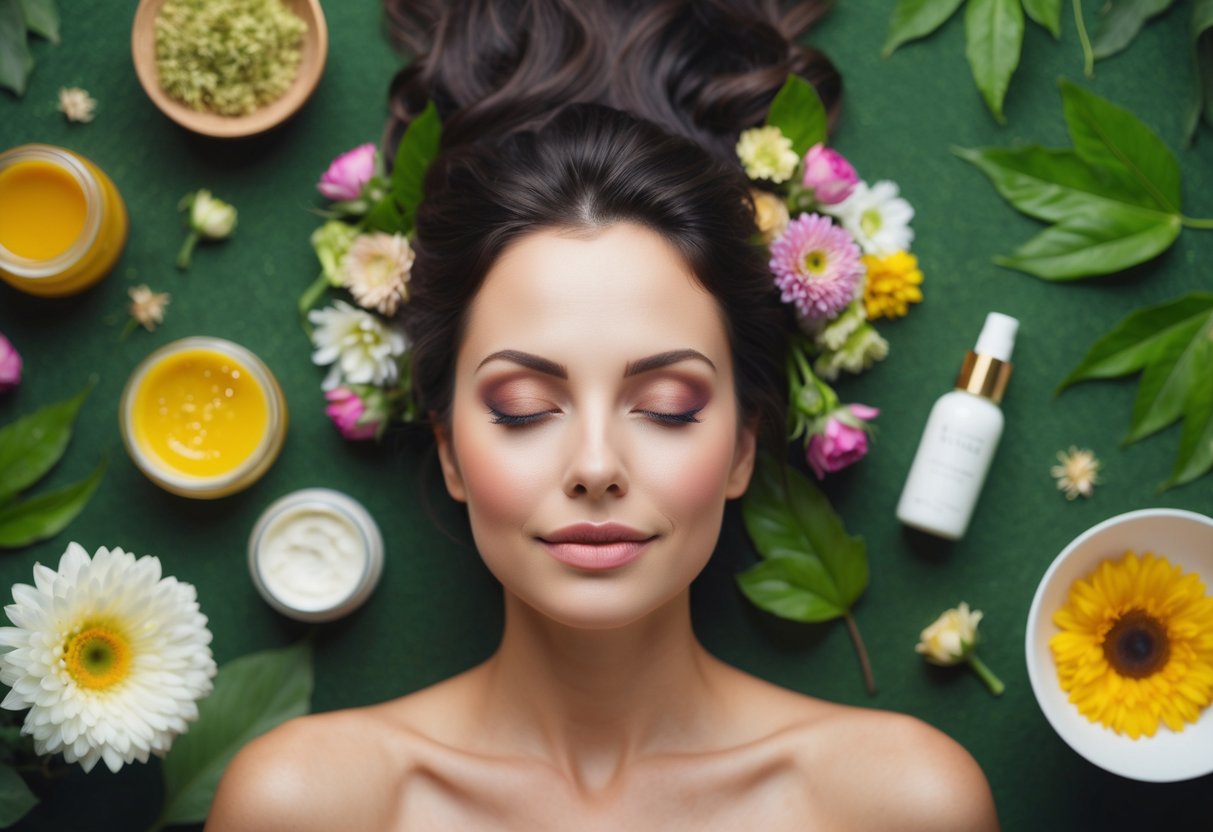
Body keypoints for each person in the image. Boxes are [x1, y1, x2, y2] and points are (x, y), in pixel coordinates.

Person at [207, 1, 999, 828]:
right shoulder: (305, 805)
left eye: (665, 407)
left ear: (741, 448)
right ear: (447, 450)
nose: (594, 466)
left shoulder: (899, 803)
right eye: (520, 409)